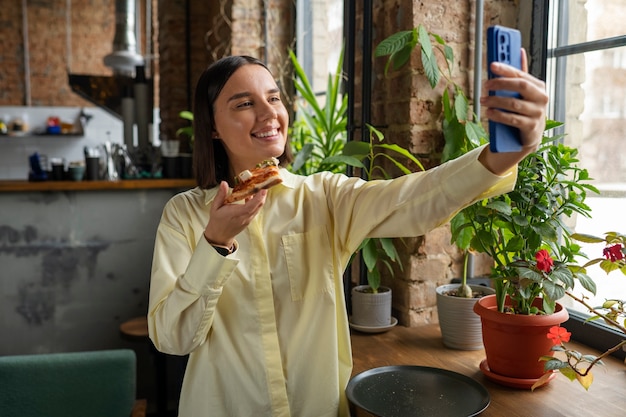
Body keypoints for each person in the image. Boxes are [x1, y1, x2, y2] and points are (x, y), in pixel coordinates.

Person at [148, 53, 548, 416]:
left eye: (273, 98)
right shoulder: (184, 216)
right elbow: (172, 339)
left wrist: (504, 153)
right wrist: (215, 245)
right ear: (213, 127)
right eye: (244, 103)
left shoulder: (324, 197)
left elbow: (415, 198)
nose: (269, 113)